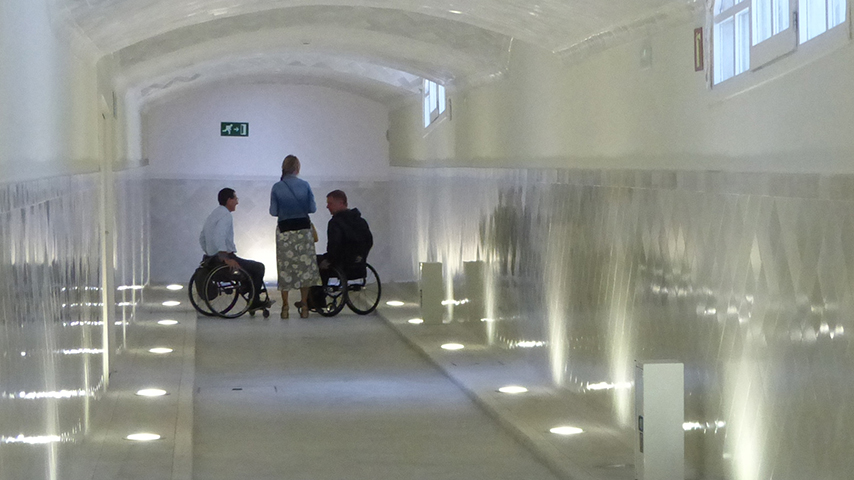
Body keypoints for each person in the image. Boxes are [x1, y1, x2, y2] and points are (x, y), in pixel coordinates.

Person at [199, 188, 271, 311]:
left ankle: (247, 288)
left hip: (211, 258)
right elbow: (219, 236)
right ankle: (254, 300)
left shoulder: (213, 214)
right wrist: (224, 258)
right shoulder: (226, 215)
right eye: (235, 199)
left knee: (249, 267)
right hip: (224, 258)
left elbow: (202, 237)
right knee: (259, 267)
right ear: (229, 200)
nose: (237, 202)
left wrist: (210, 253)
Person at [269, 155, 321, 318]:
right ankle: (304, 306)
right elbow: (312, 208)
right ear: (297, 169)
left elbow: (273, 212)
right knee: (304, 268)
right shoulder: (304, 185)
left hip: (285, 232)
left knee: (285, 268)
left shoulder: (277, 187)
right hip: (303, 232)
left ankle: (285, 307)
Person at [317, 189, 373, 284]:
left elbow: (335, 246)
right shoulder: (361, 221)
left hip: (341, 264)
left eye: (330, 203)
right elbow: (369, 241)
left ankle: (317, 297)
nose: (327, 206)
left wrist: (329, 260)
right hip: (359, 265)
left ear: (341, 203)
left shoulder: (335, 223)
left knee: (314, 262)